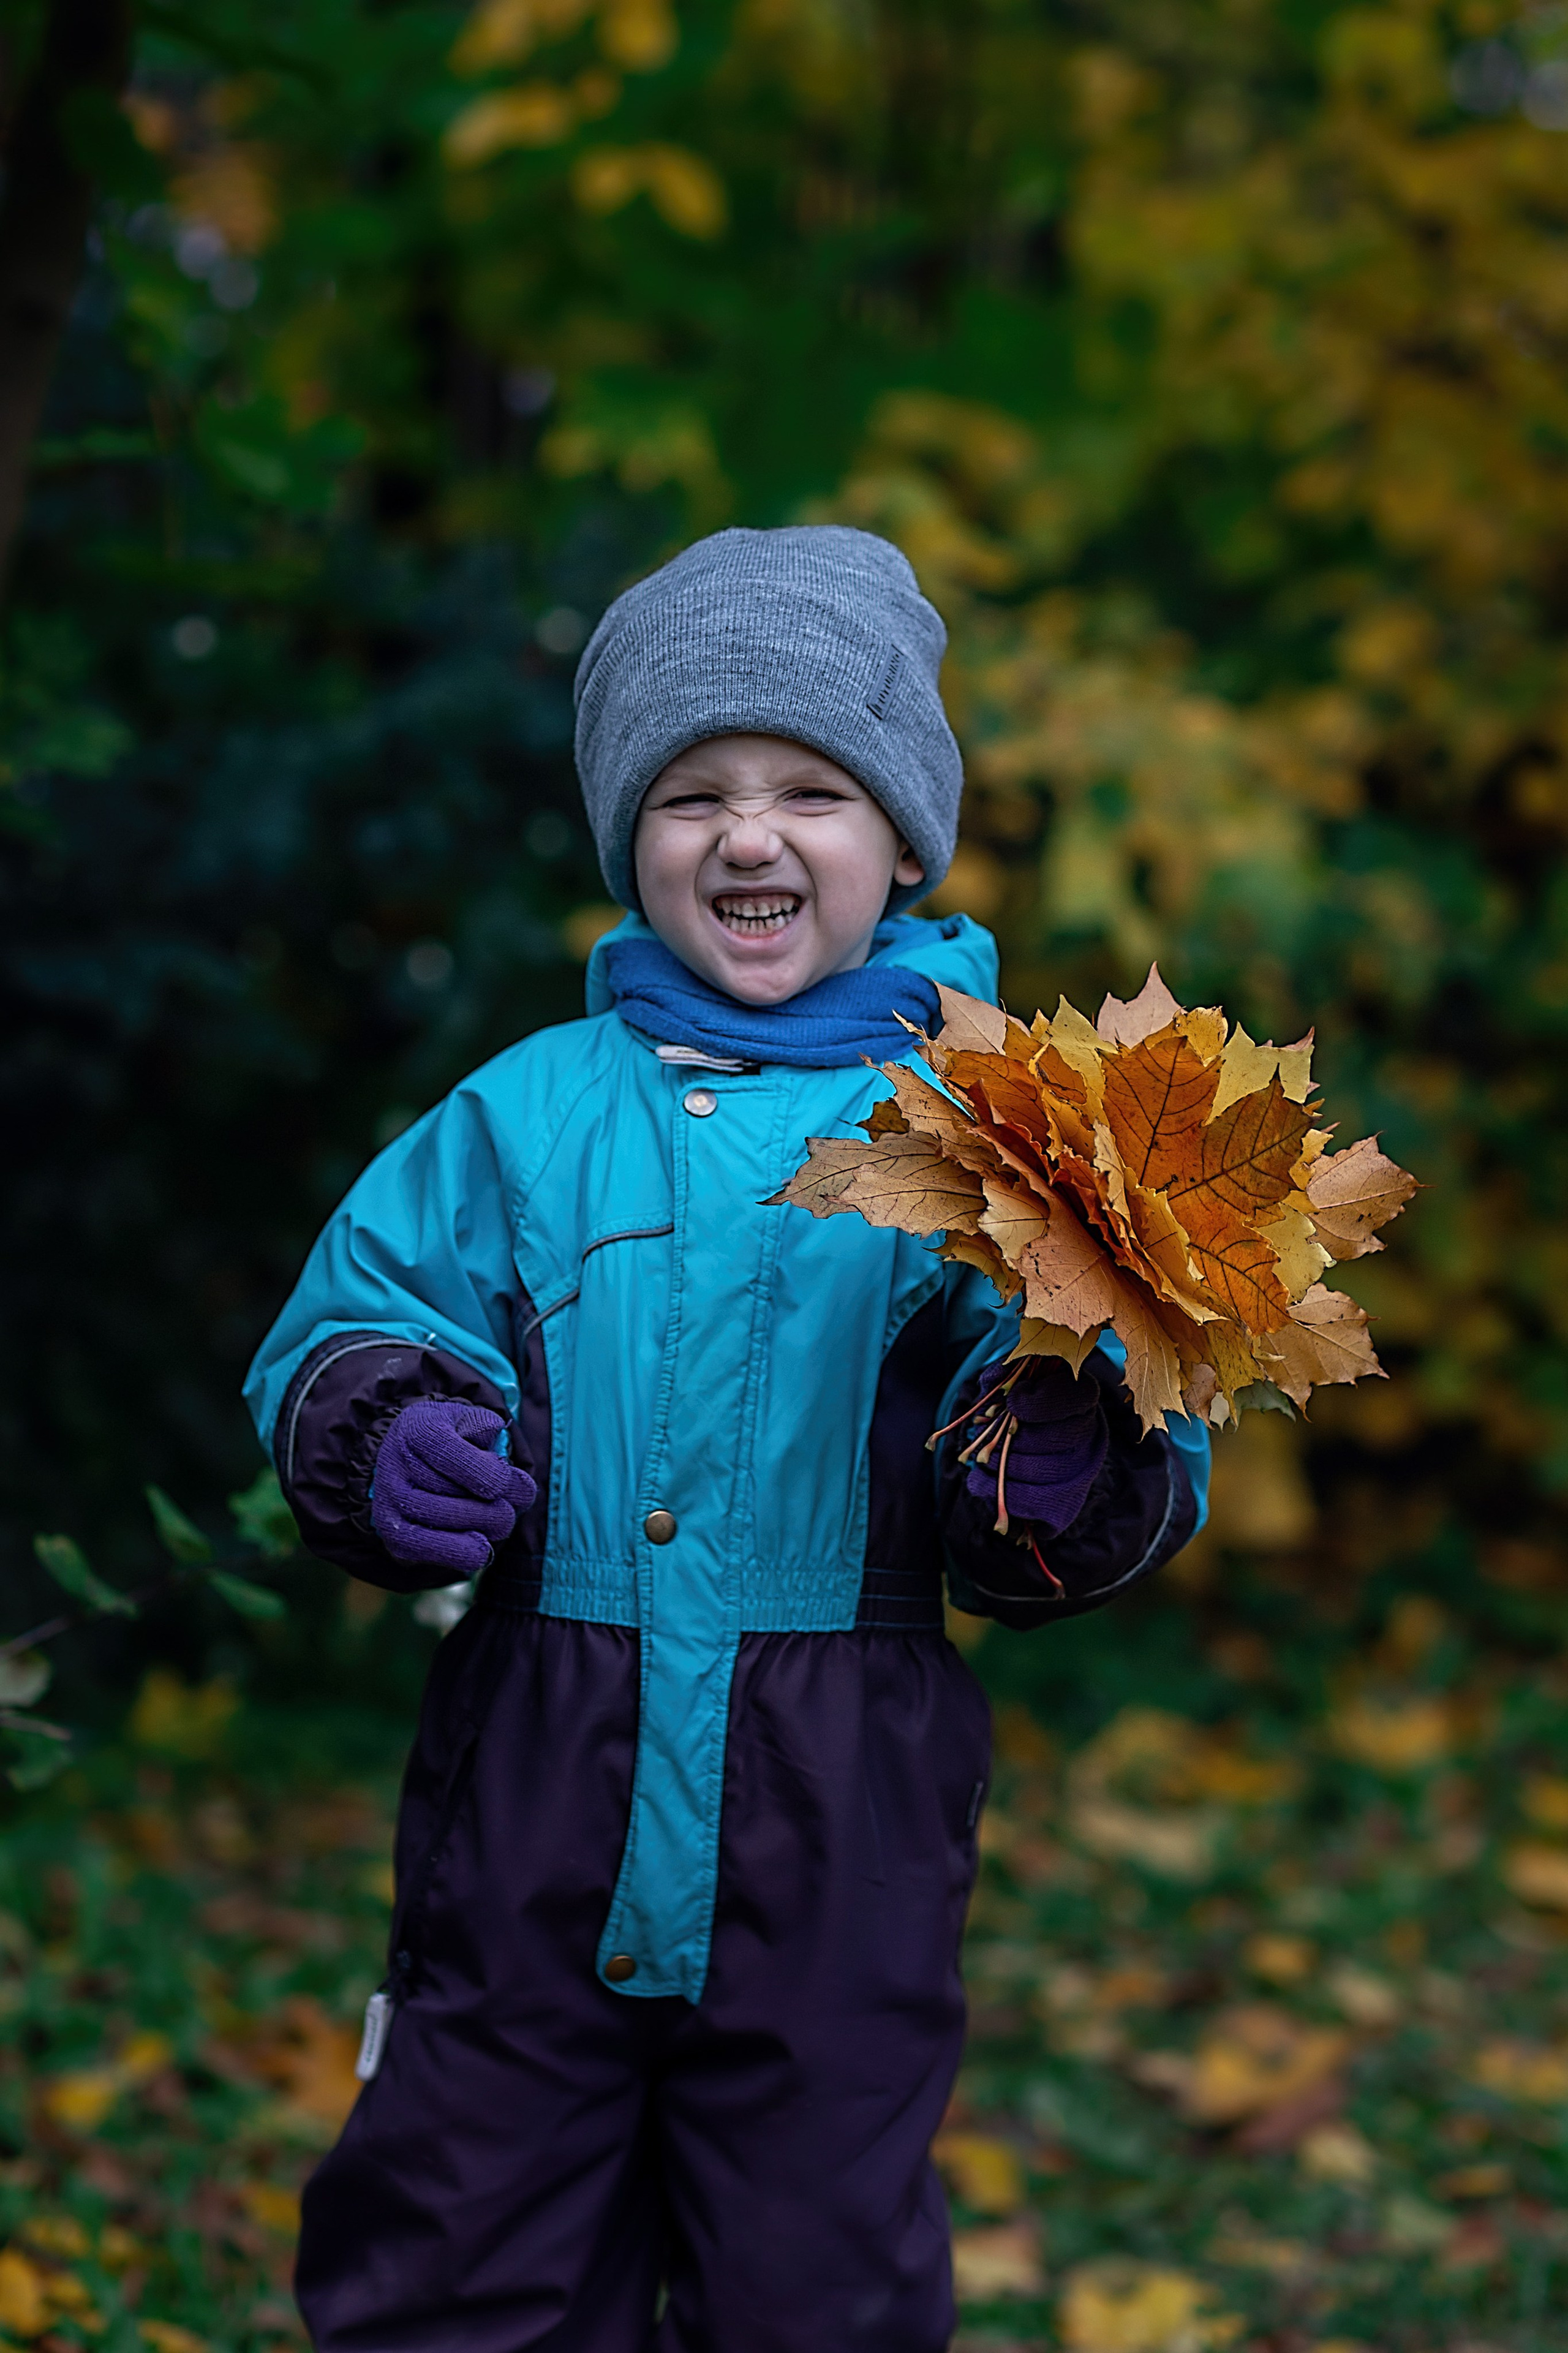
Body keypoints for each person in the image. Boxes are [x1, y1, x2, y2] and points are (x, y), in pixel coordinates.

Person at [244, 526, 1209, 2353]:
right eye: (692, 794)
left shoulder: (1001, 1127)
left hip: (840, 1795)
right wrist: (385, 1428)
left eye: (810, 791)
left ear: (902, 842)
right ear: (631, 840)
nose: (749, 835)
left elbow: (1105, 1376)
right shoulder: (523, 1116)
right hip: (539, 1762)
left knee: (814, 2271)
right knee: (464, 2230)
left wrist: (1063, 1468)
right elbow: (355, 1317)